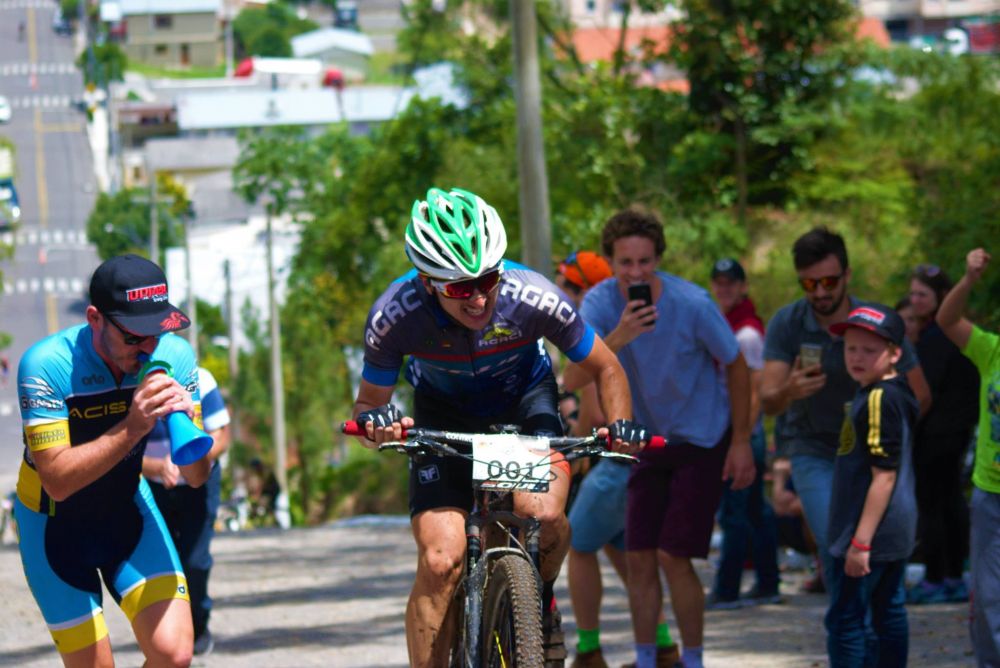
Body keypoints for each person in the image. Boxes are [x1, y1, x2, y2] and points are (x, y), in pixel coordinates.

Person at [350, 187, 650, 668]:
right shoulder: (395, 316)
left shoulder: (532, 296)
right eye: (457, 288)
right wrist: (377, 425)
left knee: (544, 516)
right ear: (428, 283)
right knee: (441, 558)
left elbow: (606, 366)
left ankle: (536, 601)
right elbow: (369, 405)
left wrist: (621, 426)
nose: (478, 297)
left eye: (487, 279)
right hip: (442, 413)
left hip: (523, 401)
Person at [563, 208, 755, 668]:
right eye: (625, 263)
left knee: (674, 556)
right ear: (610, 262)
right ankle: (648, 659)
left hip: (700, 440)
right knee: (641, 557)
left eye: (645, 261)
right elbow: (571, 376)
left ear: (658, 260)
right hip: (645, 446)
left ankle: (693, 660)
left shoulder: (692, 303)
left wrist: (742, 440)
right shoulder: (599, 303)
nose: (635, 272)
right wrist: (621, 335)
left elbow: (736, 363)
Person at [13, 254, 209, 667]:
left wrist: (188, 424)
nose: (147, 349)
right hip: (53, 523)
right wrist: (134, 425)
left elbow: (196, 475)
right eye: (134, 337)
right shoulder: (47, 365)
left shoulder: (175, 356)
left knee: (174, 654)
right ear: (94, 319)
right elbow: (58, 482)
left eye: (155, 334)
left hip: (126, 508)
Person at [760, 227, 930, 594]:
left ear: (847, 276)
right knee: (836, 542)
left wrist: (884, 420)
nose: (820, 292)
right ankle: (850, 633)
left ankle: (872, 629)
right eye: (809, 284)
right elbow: (768, 400)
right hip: (814, 448)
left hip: (871, 452)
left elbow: (920, 395)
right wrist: (789, 390)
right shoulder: (787, 324)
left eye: (828, 281)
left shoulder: (878, 322)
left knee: (877, 547)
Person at [563, 249, 678, 668]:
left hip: (619, 461)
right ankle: (664, 646)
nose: (561, 291)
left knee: (577, 543)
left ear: (583, 288)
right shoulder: (609, 326)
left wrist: (573, 455)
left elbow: (594, 413)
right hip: (633, 459)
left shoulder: (597, 333)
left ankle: (589, 650)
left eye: (567, 283)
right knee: (628, 559)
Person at [824, 304, 919, 667]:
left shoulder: (880, 397)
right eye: (851, 348)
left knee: (846, 619)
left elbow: (885, 474)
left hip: (869, 534)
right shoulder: (891, 390)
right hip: (893, 529)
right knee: (887, 612)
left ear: (895, 353)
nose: (857, 357)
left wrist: (860, 542)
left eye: (870, 349)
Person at [935, 247, 999, 666]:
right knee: (990, 596)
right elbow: (946, 320)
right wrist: (968, 280)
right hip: (990, 495)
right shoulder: (992, 350)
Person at [706, 258, 781, 609]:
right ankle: (768, 581)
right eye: (719, 282)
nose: (724, 288)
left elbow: (752, 389)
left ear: (742, 286)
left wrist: (743, 438)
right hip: (736, 430)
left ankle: (727, 589)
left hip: (741, 433)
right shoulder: (725, 325)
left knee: (735, 513)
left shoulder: (746, 333)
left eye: (730, 283)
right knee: (755, 511)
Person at [904, 264, 980, 604]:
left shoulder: (938, 336)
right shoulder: (951, 332)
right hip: (955, 432)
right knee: (950, 503)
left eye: (923, 294)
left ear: (940, 298)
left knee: (933, 505)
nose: (915, 300)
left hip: (938, 435)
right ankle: (953, 575)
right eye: (913, 294)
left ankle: (937, 577)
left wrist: (903, 427)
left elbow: (924, 393)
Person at [142, 366, 232, 655]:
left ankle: (199, 624)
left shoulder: (201, 379)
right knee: (165, 562)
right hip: (155, 486)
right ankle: (171, 635)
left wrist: (191, 458)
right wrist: (157, 467)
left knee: (194, 561)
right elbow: (122, 449)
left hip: (200, 486)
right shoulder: (135, 387)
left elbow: (222, 435)